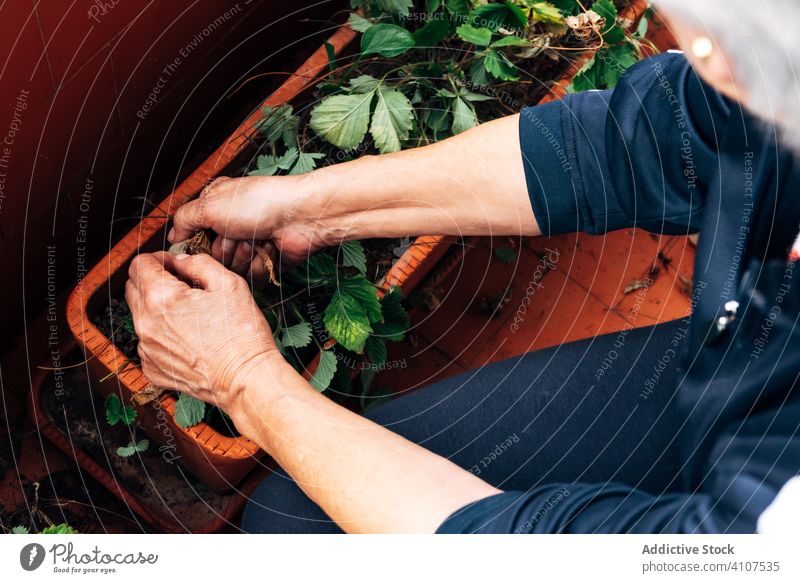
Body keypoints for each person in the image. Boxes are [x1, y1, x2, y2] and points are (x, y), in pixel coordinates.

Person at [124, 0, 800, 533]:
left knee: (299, 529)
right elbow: (663, 136)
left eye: (706, 47)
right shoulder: (769, 78)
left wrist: (245, 380)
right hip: (763, 352)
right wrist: (313, 207)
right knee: (299, 510)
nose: (690, 49)